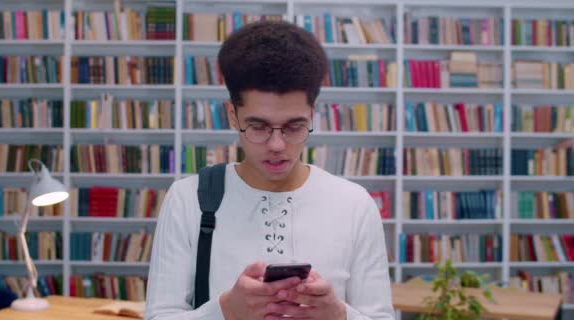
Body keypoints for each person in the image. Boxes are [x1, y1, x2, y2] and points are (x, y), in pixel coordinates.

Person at [145, 20, 394, 320]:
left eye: (294, 126)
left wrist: (339, 315)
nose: (277, 145)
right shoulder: (186, 199)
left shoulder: (355, 205)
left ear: (312, 113)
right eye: (258, 126)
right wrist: (225, 311)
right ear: (233, 115)